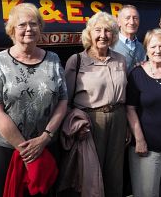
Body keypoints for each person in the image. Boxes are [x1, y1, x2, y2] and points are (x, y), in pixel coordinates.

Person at [0, 3, 68, 197]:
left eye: (34, 24)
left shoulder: (53, 59)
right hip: (4, 149)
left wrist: (45, 138)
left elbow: (63, 100)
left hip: (45, 146)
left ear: (40, 29)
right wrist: (27, 150)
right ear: (12, 29)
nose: (29, 29)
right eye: (22, 25)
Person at [64, 11, 127, 197]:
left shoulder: (121, 60)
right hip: (90, 122)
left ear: (114, 35)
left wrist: (128, 126)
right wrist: (76, 125)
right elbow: (65, 100)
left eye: (108, 31)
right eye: (98, 30)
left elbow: (126, 94)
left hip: (119, 118)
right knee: (91, 174)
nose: (103, 35)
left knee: (115, 173)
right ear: (89, 34)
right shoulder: (77, 61)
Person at [126, 28, 161, 197]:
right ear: (146, 49)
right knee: (147, 193)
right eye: (153, 47)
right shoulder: (136, 74)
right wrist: (139, 140)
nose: (158, 51)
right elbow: (130, 108)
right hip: (147, 145)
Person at [112, 4, 146, 72]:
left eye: (135, 18)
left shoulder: (143, 48)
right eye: (127, 18)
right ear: (118, 22)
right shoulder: (110, 46)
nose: (132, 22)